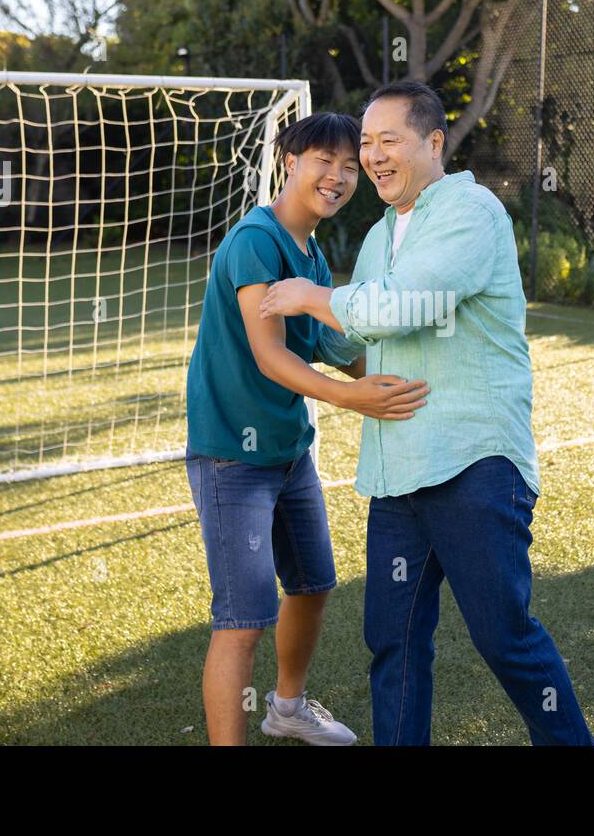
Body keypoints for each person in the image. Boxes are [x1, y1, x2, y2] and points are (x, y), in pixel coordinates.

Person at [260, 82, 594, 745]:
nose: (373, 156)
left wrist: (310, 293)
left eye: (390, 140)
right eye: (367, 144)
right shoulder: (384, 233)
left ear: (434, 142)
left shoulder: (471, 211)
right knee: (394, 641)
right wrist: (269, 311)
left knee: (504, 635)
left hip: (473, 462)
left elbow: (404, 305)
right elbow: (356, 336)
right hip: (397, 474)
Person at [184, 111, 429, 745]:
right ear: (289, 162)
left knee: (315, 583)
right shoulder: (256, 241)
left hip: (290, 453)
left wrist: (408, 371)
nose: (340, 176)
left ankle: (286, 708)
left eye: (351, 167)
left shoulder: (313, 254)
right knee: (242, 618)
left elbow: (329, 339)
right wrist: (355, 399)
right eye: (326, 160)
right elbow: (271, 354)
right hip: (231, 458)